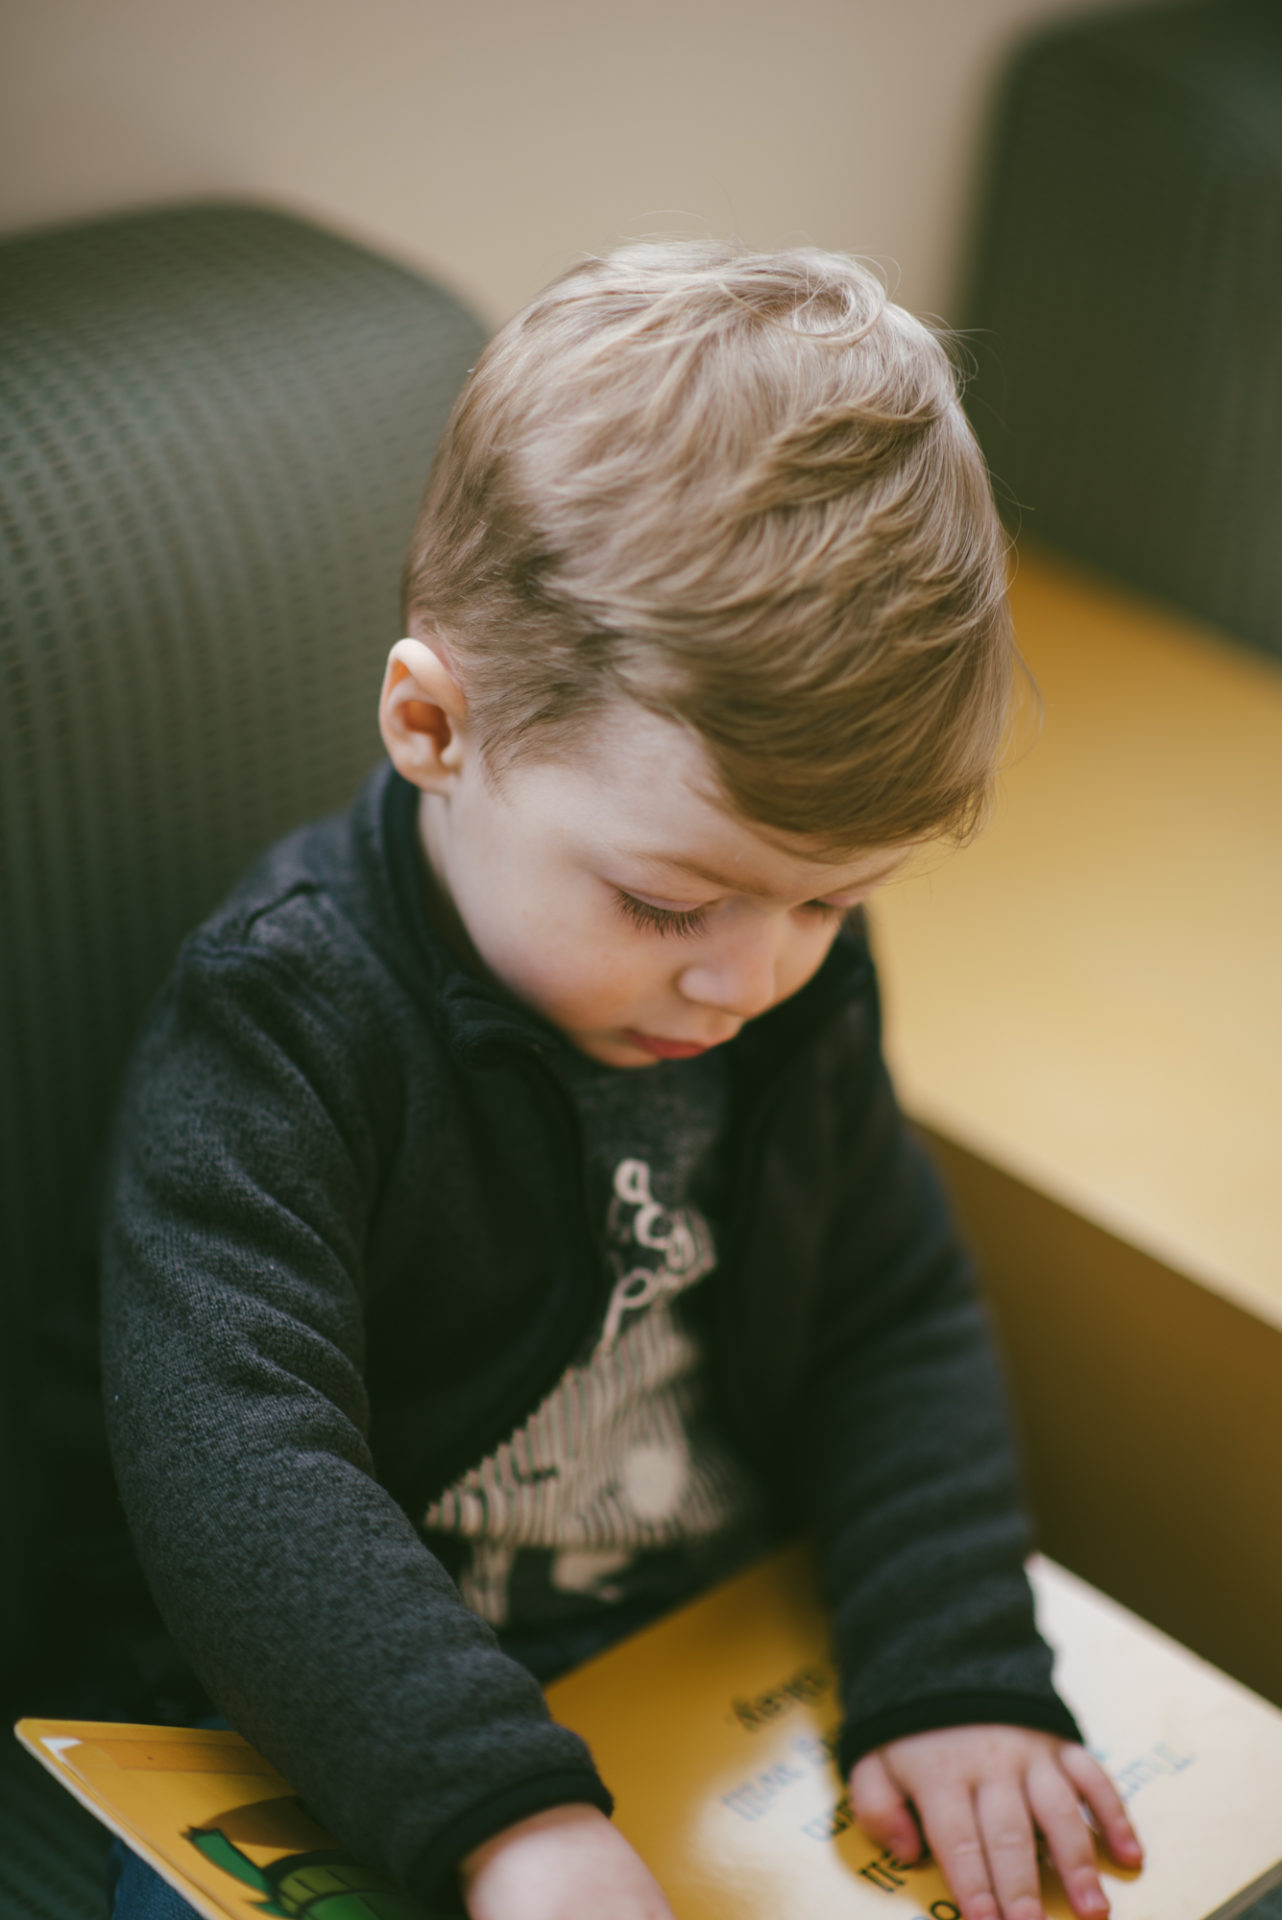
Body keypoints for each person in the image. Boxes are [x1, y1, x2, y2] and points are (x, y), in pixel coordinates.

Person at [100, 242, 1143, 1920]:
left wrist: (952, 1669)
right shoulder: (283, 1021)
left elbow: (887, 1310)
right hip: (332, 1730)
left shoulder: (782, 986)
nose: (751, 977)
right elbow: (239, 1468)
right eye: (666, 901)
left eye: (829, 899)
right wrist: (508, 1819)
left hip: (705, 1664)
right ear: (434, 729)